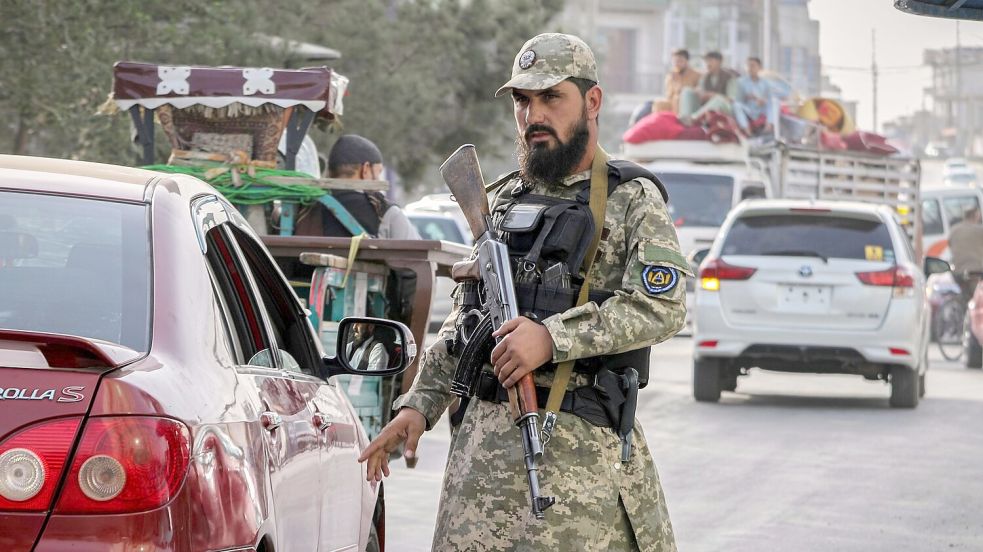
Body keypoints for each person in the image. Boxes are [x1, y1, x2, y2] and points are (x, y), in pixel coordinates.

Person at [358, 32, 688, 551]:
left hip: (581, 475)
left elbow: (661, 307)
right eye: (522, 100)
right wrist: (418, 405)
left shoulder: (630, 200)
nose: (534, 114)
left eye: (551, 97)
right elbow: (468, 320)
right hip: (479, 476)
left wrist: (551, 338)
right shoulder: (501, 200)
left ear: (592, 101)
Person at [294, 134, 420, 240]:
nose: (377, 179)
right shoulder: (383, 211)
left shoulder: (301, 207)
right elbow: (417, 258)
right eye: (378, 172)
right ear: (365, 169)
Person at [678, 51, 738, 123]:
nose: (707, 64)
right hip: (707, 107)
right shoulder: (704, 77)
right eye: (706, 61)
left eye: (710, 60)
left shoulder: (729, 77)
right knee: (687, 90)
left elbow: (731, 100)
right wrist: (698, 93)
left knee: (718, 99)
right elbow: (701, 92)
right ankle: (685, 117)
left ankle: (694, 118)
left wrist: (713, 95)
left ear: (719, 62)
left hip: (725, 108)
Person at [948, 205, 983, 305]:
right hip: (976, 272)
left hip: (957, 272)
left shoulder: (954, 230)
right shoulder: (980, 230)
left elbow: (950, 245)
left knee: (965, 294)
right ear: (976, 216)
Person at [733, 56, 776, 136]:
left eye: (753, 66)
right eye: (748, 66)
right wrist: (747, 97)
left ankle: (769, 126)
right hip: (748, 108)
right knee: (736, 105)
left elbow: (769, 99)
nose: (750, 68)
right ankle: (746, 129)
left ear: (759, 68)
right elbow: (738, 100)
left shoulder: (766, 83)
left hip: (761, 109)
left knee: (773, 103)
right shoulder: (741, 82)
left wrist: (762, 101)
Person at [654, 48, 701, 114]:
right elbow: (668, 95)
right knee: (658, 103)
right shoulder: (671, 75)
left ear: (687, 61)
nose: (677, 63)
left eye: (680, 61)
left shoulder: (697, 75)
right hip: (673, 103)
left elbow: (697, 93)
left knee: (677, 99)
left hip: (688, 105)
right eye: (675, 61)